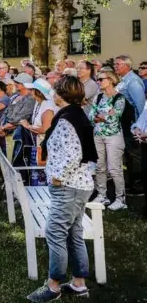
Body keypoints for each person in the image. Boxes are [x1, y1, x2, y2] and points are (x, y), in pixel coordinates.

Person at [26, 75, 97, 303]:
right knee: (74, 234)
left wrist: (58, 178)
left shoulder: (68, 118)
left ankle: (53, 286)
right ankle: (78, 283)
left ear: (61, 93)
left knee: (55, 232)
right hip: (78, 184)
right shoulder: (75, 114)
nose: (52, 94)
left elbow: (72, 154)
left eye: (55, 90)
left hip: (69, 186)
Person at [89, 69, 127, 211]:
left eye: (101, 79)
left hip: (113, 137)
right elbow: (92, 116)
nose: (98, 82)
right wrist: (104, 116)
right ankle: (101, 195)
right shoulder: (98, 97)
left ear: (110, 80)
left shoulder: (119, 98)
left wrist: (103, 116)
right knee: (100, 167)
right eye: (98, 79)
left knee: (114, 168)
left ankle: (120, 199)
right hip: (98, 135)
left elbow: (114, 118)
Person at [113, 55, 145, 195]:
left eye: (118, 64)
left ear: (127, 66)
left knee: (134, 155)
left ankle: (138, 186)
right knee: (129, 155)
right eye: (115, 64)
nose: (115, 66)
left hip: (133, 125)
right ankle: (132, 183)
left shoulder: (133, 82)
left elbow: (140, 105)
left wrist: (139, 127)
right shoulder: (124, 80)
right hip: (125, 123)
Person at [19, 79, 57, 186]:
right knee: (36, 172)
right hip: (38, 143)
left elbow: (46, 129)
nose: (30, 92)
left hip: (45, 146)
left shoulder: (48, 106)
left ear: (39, 91)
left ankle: (44, 199)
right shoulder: (38, 103)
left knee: (43, 174)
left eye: (32, 89)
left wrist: (28, 126)